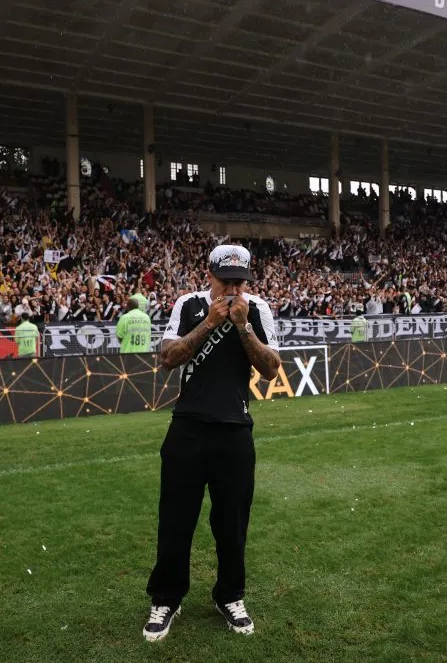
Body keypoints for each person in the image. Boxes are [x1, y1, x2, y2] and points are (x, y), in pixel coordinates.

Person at [143, 244, 280, 642]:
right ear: (210, 276)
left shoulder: (257, 310)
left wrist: (242, 327)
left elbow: (271, 369)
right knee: (175, 519)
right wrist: (208, 322)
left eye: (240, 283)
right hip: (187, 426)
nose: (233, 290)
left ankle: (230, 595)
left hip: (235, 429)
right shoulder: (188, 305)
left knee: (232, 523)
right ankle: (166, 598)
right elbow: (167, 358)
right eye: (226, 282)